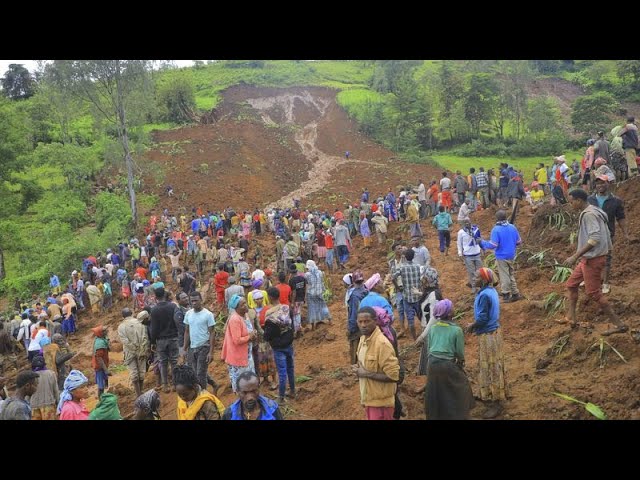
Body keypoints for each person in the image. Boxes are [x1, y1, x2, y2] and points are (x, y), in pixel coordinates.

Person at [561, 189, 628, 335]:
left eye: (571, 201)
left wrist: (574, 256)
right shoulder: (593, 210)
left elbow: (594, 238)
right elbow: (603, 235)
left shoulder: (589, 215)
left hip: (592, 259)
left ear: (579, 200)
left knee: (594, 293)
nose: (571, 204)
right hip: (589, 258)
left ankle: (619, 324)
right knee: (571, 285)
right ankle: (571, 318)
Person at [466, 267, 507, 419]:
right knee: (496, 364)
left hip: (487, 334)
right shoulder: (491, 291)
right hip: (494, 332)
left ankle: (496, 403)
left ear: (483, 279)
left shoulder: (483, 295)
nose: (473, 278)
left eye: (476, 276)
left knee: (490, 366)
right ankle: (495, 393)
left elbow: (482, 318)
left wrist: (472, 326)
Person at [423, 299, 473, 420]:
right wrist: (460, 363)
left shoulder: (433, 328)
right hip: (446, 364)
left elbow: (429, 348)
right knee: (462, 385)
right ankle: (458, 414)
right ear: (450, 313)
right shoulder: (457, 330)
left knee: (435, 391)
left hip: (431, 364)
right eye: (452, 308)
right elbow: (460, 353)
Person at [351, 307, 400, 420]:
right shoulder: (363, 340)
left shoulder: (382, 344)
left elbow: (393, 376)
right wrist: (358, 369)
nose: (363, 325)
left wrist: (365, 374)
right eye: (360, 321)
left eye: (367, 321)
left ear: (375, 321)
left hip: (382, 404)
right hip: (369, 400)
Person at [587, 176, 630, 294]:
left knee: (606, 258)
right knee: (590, 256)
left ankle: (605, 283)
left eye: (603, 183)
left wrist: (625, 233)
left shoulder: (616, 201)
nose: (600, 185)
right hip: (591, 233)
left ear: (609, 184)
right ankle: (591, 279)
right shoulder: (590, 199)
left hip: (608, 234)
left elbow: (621, 218)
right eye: (598, 183)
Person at [480, 210, 523, 303]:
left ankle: (506, 294)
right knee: (511, 273)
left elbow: (493, 245)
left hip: (502, 255)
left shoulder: (496, 229)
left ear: (497, 218)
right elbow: (519, 242)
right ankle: (515, 293)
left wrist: (482, 243)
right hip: (511, 254)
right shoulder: (512, 227)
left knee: (504, 274)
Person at [263, 287, 295, 403]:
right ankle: (292, 391)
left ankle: (281, 397)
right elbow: (292, 325)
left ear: (270, 297)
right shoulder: (286, 308)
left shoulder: (269, 314)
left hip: (278, 347)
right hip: (289, 343)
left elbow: (268, 334)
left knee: (282, 372)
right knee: (290, 368)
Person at [183, 291, 217, 392]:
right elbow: (187, 331)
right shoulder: (188, 314)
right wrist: (184, 349)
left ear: (201, 300)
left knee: (200, 374)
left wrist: (211, 352)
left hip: (204, 346)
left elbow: (212, 333)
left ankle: (202, 395)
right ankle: (214, 384)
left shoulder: (208, 315)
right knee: (195, 371)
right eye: (192, 301)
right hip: (192, 347)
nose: (194, 303)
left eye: (196, 301)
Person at [221, 295, 256, 393]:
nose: (245, 306)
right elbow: (237, 340)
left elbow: (249, 330)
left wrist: (253, 334)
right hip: (238, 358)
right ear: (236, 308)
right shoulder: (235, 319)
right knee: (242, 384)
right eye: (242, 305)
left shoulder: (245, 315)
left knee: (249, 381)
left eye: (245, 303)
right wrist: (250, 337)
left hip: (247, 355)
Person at [117, 307, 149, 397]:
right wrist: (141, 349)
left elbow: (125, 341)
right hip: (141, 350)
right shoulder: (140, 323)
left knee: (134, 373)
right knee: (141, 372)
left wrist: (133, 348)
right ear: (132, 313)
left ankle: (138, 394)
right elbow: (145, 337)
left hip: (129, 352)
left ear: (123, 316)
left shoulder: (121, 326)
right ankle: (141, 390)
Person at [392, 249, 422, 340]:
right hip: (417, 295)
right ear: (413, 256)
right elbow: (423, 277)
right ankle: (425, 333)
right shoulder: (418, 266)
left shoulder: (402, 267)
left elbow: (393, 277)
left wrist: (397, 287)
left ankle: (414, 339)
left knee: (410, 320)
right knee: (421, 316)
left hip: (407, 296)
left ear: (405, 257)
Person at [30, 355, 59, 420]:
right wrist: (58, 402)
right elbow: (56, 391)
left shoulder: (30, 376)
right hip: (48, 404)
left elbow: (27, 395)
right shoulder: (51, 374)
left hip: (34, 406)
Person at [457, 220, 482, 293]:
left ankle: (480, 286)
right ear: (463, 224)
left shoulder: (476, 229)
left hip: (477, 253)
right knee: (471, 272)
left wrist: (482, 248)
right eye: (466, 223)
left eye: (469, 223)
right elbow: (459, 243)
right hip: (468, 255)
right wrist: (460, 253)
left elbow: (480, 239)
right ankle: (474, 287)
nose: (467, 224)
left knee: (480, 271)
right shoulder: (461, 232)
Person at [304, 260, 331, 329]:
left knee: (312, 309)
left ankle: (313, 326)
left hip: (311, 293)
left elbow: (306, 285)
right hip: (319, 292)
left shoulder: (307, 275)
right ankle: (329, 319)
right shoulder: (320, 272)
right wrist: (324, 290)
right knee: (323, 306)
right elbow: (322, 282)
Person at [91, 325, 110, 397]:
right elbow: (99, 358)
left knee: (104, 381)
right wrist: (106, 370)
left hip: (103, 364)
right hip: (99, 366)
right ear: (101, 333)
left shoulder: (101, 339)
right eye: (105, 331)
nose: (107, 332)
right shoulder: (99, 344)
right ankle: (100, 400)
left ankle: (103, 396)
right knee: (100, 385)